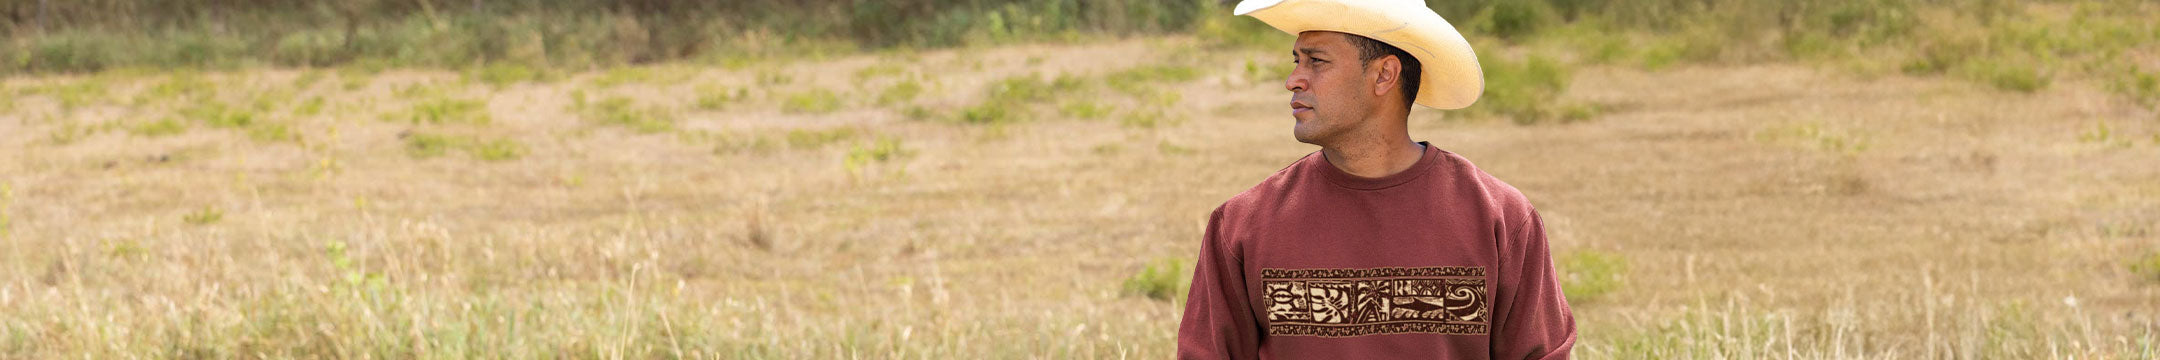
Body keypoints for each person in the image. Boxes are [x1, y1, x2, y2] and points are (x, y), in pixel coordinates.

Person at [1177, 0, 1576, 358]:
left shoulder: (1501, 218)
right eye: (1295, 60)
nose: (1294, 79)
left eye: (1316, 61)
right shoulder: (1242, 225)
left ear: (1384, 75)